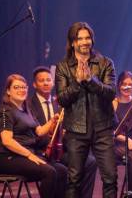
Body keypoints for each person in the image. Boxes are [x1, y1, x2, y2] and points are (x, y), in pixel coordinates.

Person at [55, 22, 117, 198]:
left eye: (87, 37)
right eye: (79, 38)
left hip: (103, 128)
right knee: (74, 179)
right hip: (76, 130)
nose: (84, 42)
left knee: (110, 178)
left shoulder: (105, 63)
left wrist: (90, 80)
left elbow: (111, 93)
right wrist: (77, 82)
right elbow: (62, 99)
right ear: (73, 42)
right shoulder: (63, 66)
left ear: (92, 40)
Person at [0, 74, 67, 198]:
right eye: (16, 87)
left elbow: (39, 131)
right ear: (8, 91)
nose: (21, 90)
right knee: (49, 172)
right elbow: (7, 141)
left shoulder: (27, 109)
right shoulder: (5, 111)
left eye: (24, 87)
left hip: (24, 155)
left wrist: (52, 121)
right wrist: (29, 155)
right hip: (7, 157)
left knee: (62, 170)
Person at [28, 66, 97, 198]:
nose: (46, 83)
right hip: (41, 151)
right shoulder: (29, 105)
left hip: (60, 150)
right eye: (41, 80)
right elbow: (33, 134)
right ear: (34, 84)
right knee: (63, 170)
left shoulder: (59, 103)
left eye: (48, 80)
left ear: (53, 82)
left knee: (90, 162)